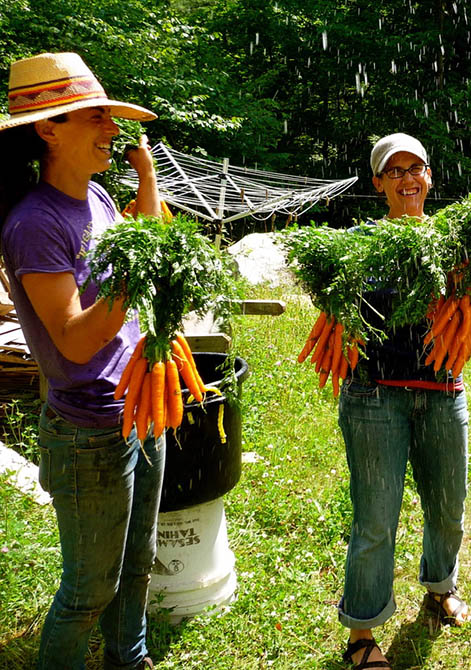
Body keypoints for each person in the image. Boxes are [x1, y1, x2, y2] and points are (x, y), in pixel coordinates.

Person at [0, 52, 164, 670]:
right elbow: (73, 340)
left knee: (139, 560)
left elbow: (141, 240)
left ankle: (131, 658)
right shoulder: (34, 223)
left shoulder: (93, 196)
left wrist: (145, 177)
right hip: (88, 429)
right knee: (90, 588)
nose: (113, 130)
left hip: (141, 404)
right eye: (97, 117)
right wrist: (137, 281)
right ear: (49, 129)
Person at [338, 133, 471, 670]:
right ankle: (361, 633)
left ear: (431, 177)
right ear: (378, 184)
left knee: (449, 506)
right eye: (394, 171)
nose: (408, 178)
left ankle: (440, 587)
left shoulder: (453, 244)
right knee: (375, 518)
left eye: (416, 168)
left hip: (443, 393)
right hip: (375, 397)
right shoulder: (359, 245)